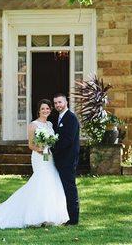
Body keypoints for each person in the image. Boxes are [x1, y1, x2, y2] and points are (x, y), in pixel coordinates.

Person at [0, 99, 69, 229]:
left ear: (50, 110)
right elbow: (31, 144)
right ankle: (35, 215)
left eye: (47, 108)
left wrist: (49, 148)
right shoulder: (33, 125)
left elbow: (52, 142)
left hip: (49, 157)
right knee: (42, 180)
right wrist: (40, 150)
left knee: (51, 181)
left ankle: (49, 214)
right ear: (38, 110)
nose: (45, 111)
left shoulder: (50, 125)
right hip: (39, 157)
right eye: (43, 109)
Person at [48, 93, 80, 225]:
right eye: (55, 103)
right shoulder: (58, 117)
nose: (57, 105)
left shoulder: (71, 118)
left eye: (60, 102)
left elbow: (67, 140)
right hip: (61, 160)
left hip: (68, 160)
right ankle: (65, 216)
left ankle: (73, 219)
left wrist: (52, 148)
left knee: (69, 188)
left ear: (66, 102)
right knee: (62, 188)